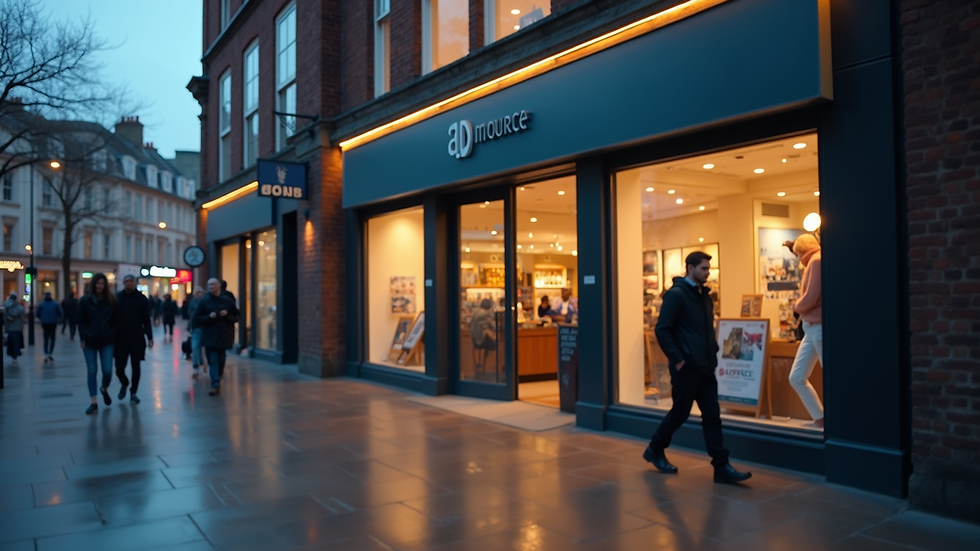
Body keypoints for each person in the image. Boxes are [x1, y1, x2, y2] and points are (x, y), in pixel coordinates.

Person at [642, 251, 752, 484]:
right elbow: (662, 329)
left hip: (706, 366)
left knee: (712, 415)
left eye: (708, 268)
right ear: (690, 268)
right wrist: (678, 359)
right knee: (680, 413)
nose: (708, 272)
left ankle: (721, 466)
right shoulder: (677, 295)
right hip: (687, 368)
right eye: (704, 268)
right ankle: (654, 448)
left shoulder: (704, 296)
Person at [787, 234, 825, 428]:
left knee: (828, 374)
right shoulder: (816, 261)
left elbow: (811, 297)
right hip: (812, 327)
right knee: (796, 377)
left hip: (817, 326)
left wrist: (796, 306)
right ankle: (820, 417)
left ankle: (824, 418)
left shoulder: (816, 261)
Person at [77, 273, 119, 414]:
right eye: (98, 283)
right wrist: (83, 337)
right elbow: (81, 321)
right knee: (92, 370)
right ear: (93, 284)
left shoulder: (111, 301)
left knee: (107, 370)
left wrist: (112, 334)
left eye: (102, 283)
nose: (100, 286)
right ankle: (93, 401)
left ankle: (104, 388)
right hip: (90, 341)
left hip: (107, 340)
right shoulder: (85, 301)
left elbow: (116, 321)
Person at [195, 278, 239, 396]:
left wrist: (227, 316)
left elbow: (236, 316)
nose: (211, 287)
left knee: (221, 359)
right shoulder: (204, 301)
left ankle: (218, 375)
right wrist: (209, 317)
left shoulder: (227, 301)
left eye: (213, 284)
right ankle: (215, 383)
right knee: (212, 359)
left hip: (224, 334)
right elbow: (197, 318)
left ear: (219, 286)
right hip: (209, 335)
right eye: (209, 285)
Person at [114, 275, 153, 405]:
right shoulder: (118, 298)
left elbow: (146, 320)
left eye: (130, 281)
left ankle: (133, 392)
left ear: (135, 283)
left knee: (136, 366)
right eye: (125, 282)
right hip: (120, 338)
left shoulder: (142, 299)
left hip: (137, 338)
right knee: (119, 367)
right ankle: (124, 382)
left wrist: (150, 337)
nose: (128, 284)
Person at [36, 292, 63, 362]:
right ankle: (50, 352)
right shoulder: (55, 304)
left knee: (46, 338)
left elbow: (37, 314)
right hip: (53, 322)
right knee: (52, 338)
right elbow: (60, 313)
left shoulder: (41, 304)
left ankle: (46, 353)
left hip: (44, 322)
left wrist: (41, 318)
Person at [187, 286, 207, 379]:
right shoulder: (193, 302)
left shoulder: (206, 301)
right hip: (196, 328)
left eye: (200, 292)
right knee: (195, 347)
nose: (198, 294)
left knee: (205, 348)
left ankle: (204, 364)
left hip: (206, 328)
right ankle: (196, 368)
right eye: (197, 292)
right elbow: (190, 315)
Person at [3, 292, 25, 366]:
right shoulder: (10, 306)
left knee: (14, 342)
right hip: (13, 328)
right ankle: (14, 355)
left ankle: (15, 355)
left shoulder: (17, 308)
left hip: (15, 328)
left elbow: (12, 317)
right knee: (12, 343)